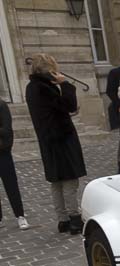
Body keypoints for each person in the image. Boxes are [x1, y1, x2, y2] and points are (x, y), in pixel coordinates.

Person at [25, 53, 86, 235]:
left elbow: (55, 110)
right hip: (61, 138)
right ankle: (74, 218)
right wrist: (65, 84)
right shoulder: (45, 88)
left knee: (56, 181)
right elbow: (68, 104)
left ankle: (63, 219)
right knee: (69, 180)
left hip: (47, 139)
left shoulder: (32, 87)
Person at [0, 97, 29, 230]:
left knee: (11, 185)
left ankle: (20, 216)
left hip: (2, 152)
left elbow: (7, 130)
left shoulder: (2, 105)